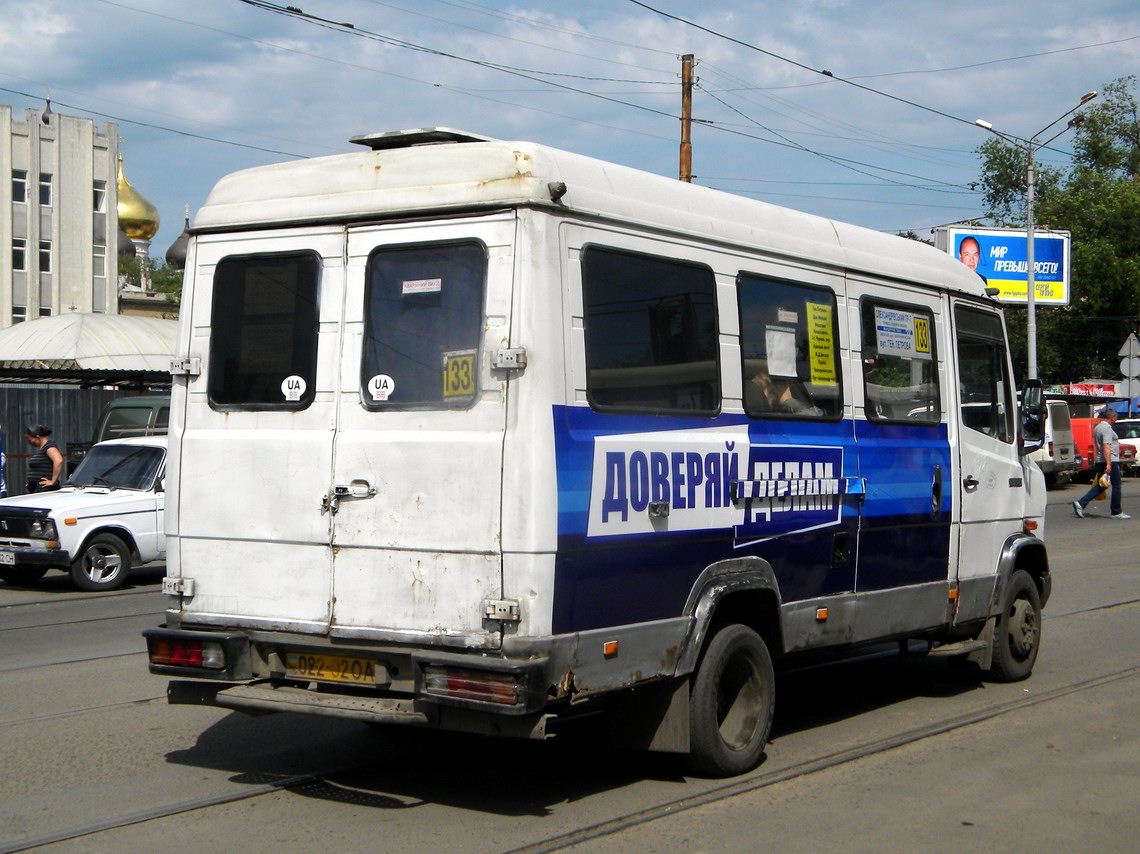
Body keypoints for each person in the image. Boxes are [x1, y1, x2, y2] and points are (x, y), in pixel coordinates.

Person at [1073, 408, 1130, 519]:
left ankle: (1081, 503)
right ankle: (1116, 512)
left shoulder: (1098, 427)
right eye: (1116, 418)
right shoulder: (1107, 428)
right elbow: (1106, 446)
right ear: (1112, 417)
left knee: (1102, 485)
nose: (1116, 420)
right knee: (1117, 485)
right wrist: (1109, 464)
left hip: (1100, 460)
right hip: (1109, 461)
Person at [24, 424, 63, 493]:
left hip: (45, 489)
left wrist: (53, 481)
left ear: (37, 437)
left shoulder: (49, 447)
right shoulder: (44, 448)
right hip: (37, 489)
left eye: (30, 440)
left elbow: (58, 460)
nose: (29, 443)